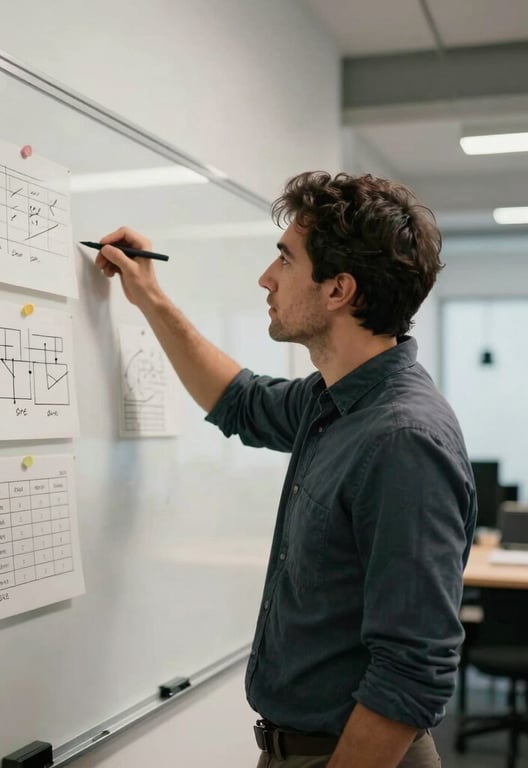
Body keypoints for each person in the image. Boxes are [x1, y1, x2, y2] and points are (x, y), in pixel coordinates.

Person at [95, 171, 477, 768]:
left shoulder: (403, 440)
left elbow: (411, 672)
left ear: (338, 291)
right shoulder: (333, 401)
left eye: (285, 260)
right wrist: (150, 296)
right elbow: (239, 400)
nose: (266, 278)